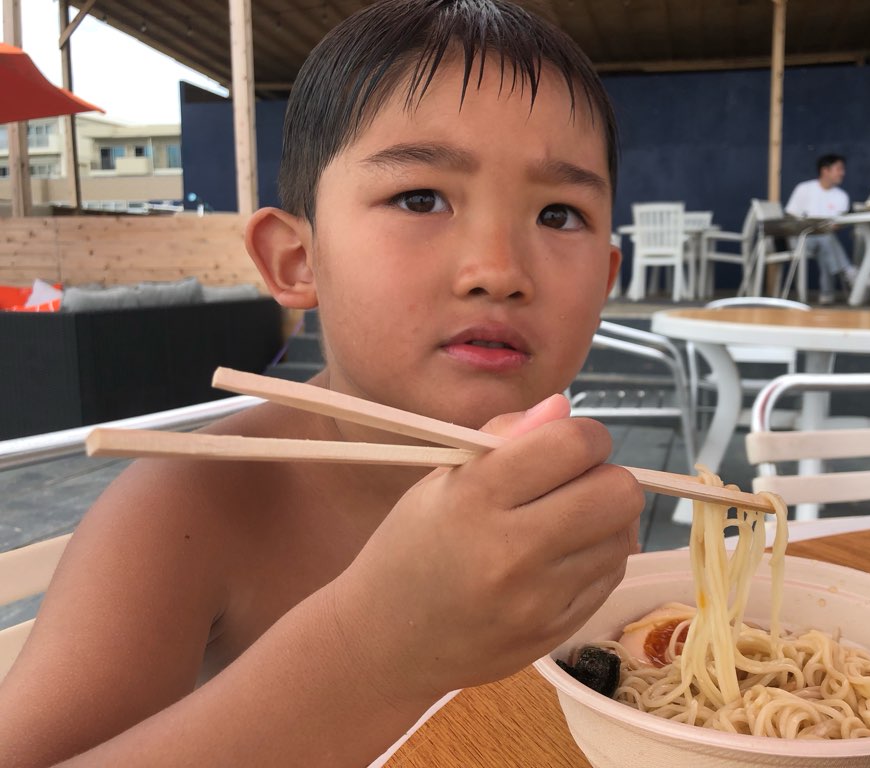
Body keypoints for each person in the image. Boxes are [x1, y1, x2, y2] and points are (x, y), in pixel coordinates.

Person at [0, 2, 645, 766]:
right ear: (297, 260)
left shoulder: (573, 502)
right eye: (420, 198)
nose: (499, 271)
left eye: (560, 214)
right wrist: (372, 648)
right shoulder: (188, 506)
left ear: (606, 280)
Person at [785, 153, 860, 305]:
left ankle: (827, 293)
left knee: (825, 240)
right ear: (825, 170)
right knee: (825, 236)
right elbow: (789, 217)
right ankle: (848, 271)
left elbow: (837, 225)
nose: (842, 173)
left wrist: (824, 227)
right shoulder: (804, 188)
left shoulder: (841, 196)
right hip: (799, 240)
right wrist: (810, 226)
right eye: (839, 169)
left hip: (824, 240)